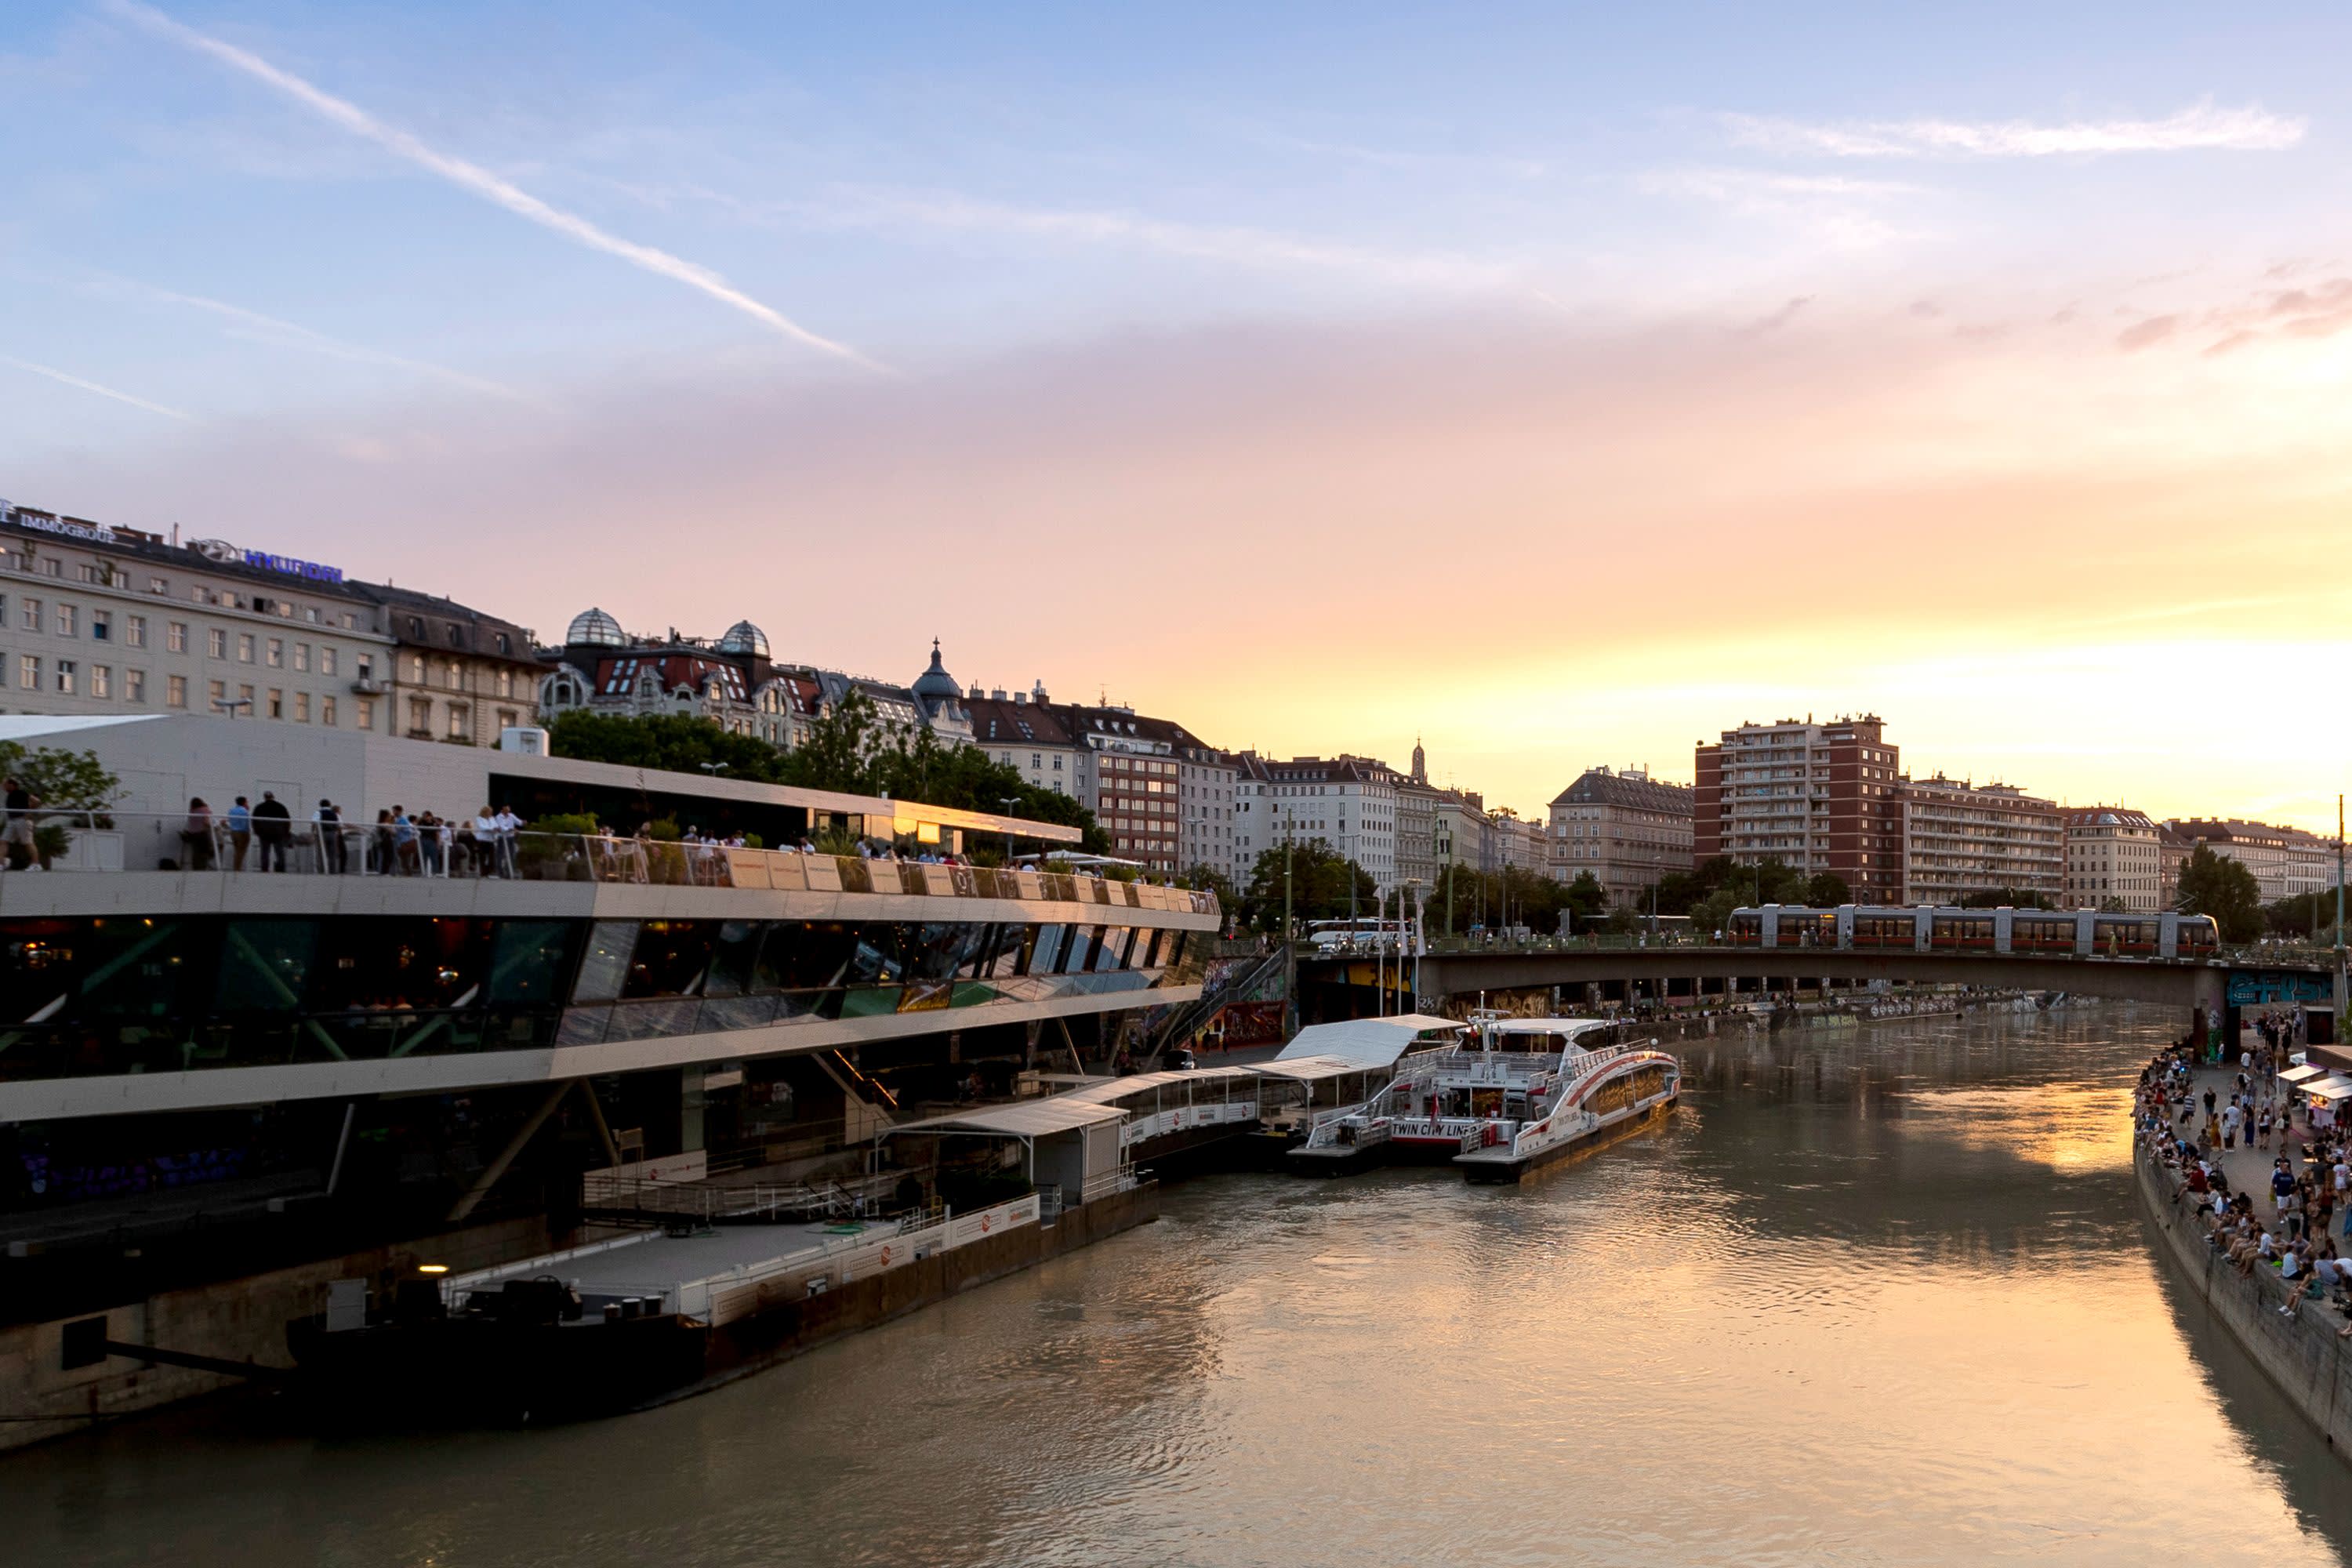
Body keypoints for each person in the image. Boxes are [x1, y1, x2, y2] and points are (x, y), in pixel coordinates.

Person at [2, 775, 38, 872]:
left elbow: (36, 801)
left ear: (11, 785)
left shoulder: (21, 793)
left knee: (28, 843)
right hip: (12, 821)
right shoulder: (10, 795)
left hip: (22, 820)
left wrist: (29, 812)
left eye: (5, 785)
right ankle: (2, 864)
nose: (4, 787)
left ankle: (35, 864)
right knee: (3, 841)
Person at [252, 790, 292, 873]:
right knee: (280, 852)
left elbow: (254, 821)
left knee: (265, 852)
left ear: (265, 797)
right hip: (278, 833)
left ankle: (264, 869)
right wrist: (286, 832)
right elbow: (287, 820)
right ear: (273, 797)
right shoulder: (280, 807)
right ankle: (281, 869)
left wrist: (257, 831)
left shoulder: (259, 807)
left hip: (264, 834)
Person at [180, 797, 216, 871]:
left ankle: (196, 869)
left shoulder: (192, 811)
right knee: (204, 853)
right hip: (202, 834)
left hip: (193, 835)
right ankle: (202, 869)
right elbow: (206, 822)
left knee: (196, 853)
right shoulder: (205, 809)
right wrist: (212, 827)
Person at [314, 798, 346, 874]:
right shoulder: (334, 814)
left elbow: (314, 823)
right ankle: (332, 871)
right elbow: (338, 826)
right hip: (332, 834)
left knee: (322, 853)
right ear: (329, 805)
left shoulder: (318, 812)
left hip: (322, 834)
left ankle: (322, 870)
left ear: (320, 805)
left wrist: (313, 833)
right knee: (332, 854)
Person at [493, 803, 521, 878]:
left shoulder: (511, 816)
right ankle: (500, 872)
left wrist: (522, 823)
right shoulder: (499, 817)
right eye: (507, 809)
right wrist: (510, 829)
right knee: (500, 855)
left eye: (509, 809)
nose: (508, 811)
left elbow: (518, 822)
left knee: (512, 854)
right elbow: (502, 827)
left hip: (511, 837)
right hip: (502, 838)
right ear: (503, 809)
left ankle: (509, 872)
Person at [227, 795, 252, 872]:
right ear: (244, 803)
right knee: (241, 851)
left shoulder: (231, 810)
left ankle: (237, 867)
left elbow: (230, 820)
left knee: (237, 850)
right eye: (246, 802)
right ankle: (237, 869)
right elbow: (245, 824)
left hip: (233, 832)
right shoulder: (244, 811)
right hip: (242, 832)